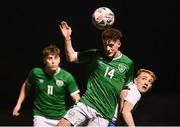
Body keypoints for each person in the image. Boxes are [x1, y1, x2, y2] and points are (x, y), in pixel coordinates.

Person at [57, 21, 134, 126]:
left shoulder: (128, 63)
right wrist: (67, 38)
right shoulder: (96, 54)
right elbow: (71, 57)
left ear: (119, 44)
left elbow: (124, 91)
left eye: (111, 45)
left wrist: (121, 116)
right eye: (105, 45)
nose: (107, 49)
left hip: (104, 113)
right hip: (86, 103)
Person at [12, 44, 80, 127]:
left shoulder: (67, 77)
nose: (53, 61)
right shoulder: (36, 73)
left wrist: (77, 115)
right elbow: (26, 85)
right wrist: (18, 105)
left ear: (59, 60)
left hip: (60, 117)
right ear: (44, 60)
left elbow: (76, 99)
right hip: (41, 117)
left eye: (56, 58)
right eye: (50, 58)